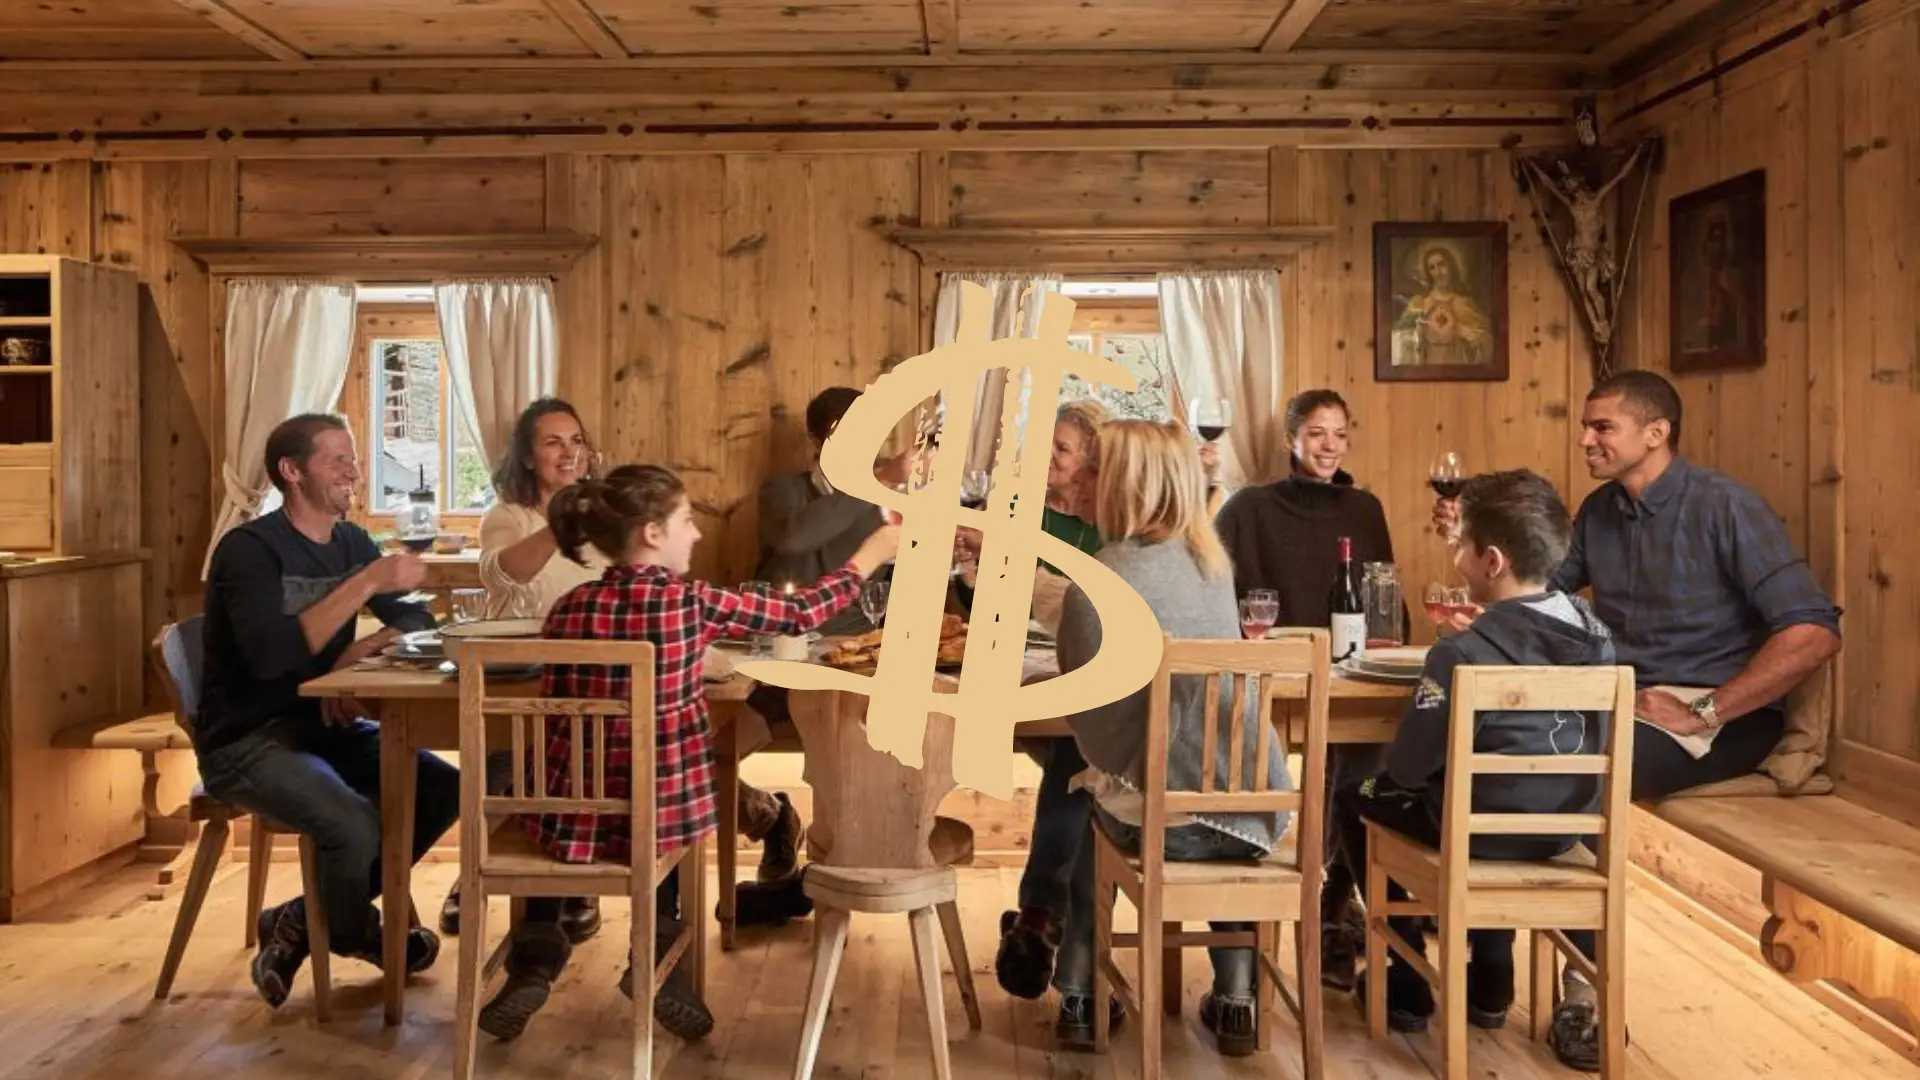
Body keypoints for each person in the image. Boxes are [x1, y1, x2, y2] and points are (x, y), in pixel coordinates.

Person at [1432, 370, 1842, 1070]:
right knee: (1494, 756)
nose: (1586, 438)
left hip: (1720, 718)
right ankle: (1494, 960)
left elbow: (1814, 632)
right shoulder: (1599, 512)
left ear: (1656, 434)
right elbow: (1539, 595)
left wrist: (1704, 708)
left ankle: (1583, 995)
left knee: (1566, 784)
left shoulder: (1727, 508)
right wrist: (1480, 578)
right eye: (1586, 425)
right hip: (1619, 699)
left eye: (1602, 427)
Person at [478, 464, 899, 1043]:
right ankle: (657, 960)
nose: (696, 534)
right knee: (660, 807)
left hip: (565, 817)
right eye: (685, 522)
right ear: (652, 533)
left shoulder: (568, 609)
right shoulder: (689, 603)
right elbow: (800, 614)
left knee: (581, 790)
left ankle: (534, 958)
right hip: (653, 821)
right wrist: (871, 551)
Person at [442, 397, 801, 937]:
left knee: (663, 756)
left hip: (614, 673)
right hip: (534, 675)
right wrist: (564, 518)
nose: (568, 452)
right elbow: (503, 577)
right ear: (527, 455)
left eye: (576, 440)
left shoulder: (609, 532)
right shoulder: (509, 517)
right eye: (552, 442)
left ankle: (581, 906)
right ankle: (523, 890)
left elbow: (637, 594)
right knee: (542, 766)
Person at [193, 413, 461, 1009]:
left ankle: (297, 918)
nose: (354, 471)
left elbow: (418, 619)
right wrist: (365, 585)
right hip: (248, 739)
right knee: (352, 825)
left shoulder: (350, 542)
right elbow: (270, 656)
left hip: (323, 726)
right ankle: (351, 930)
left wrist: (352, 652)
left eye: (354, 458)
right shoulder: (248, 551)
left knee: (444, 789)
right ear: (292, 472)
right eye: (337, 459)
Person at [1334, 469, 1615, 1034]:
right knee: (1491, 801)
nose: (1455, 556)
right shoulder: (1598, 634)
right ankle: (1490, 981)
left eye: (1460, 545)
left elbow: (1410, 770)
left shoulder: (1460, 653)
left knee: (1354, 797)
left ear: (1492, 560)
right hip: (1564, 828)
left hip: (1476, 832)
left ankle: (1407, 981)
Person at [1051, 419, 1292, 1055]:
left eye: (1094, 468)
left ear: (1124, 483)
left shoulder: (1097, 581)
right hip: (1253, 816)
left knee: (1090, 805)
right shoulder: (1214, 567)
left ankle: (1080, 994)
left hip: (1162, 825)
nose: (1081, 477)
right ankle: (1237, 996)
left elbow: (1094, 734)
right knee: (1208, 789)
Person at [1214, 388, 1403, 992]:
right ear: (1293, 438)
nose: (1330, 445)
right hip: (1270, 676)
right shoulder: (1250, 506)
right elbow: (1213, 580)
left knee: (1363, 771)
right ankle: (1250, 914)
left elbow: (1384, 599)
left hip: (1348, 675)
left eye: (1340, 434)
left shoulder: (1364, 509)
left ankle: (1334, 905)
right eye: (1318, 433)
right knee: (1245, 769)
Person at [979, 398, 1112, 1003]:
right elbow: (984, 600)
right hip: (1017, 674)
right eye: (1045, 447)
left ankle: (1038, 917)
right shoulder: (1012, 506)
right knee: (1078, 762)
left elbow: (1095, 609)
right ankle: (1070, 952)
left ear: (1091, 462)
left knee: (1075, 762)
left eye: (1060, 450)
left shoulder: (1112, 523)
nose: (1047, 461)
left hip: (1080, 684)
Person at [1394, 246, 1494, 368]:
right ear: (1428, 273)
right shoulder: (1419, 303)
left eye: (1442, 265)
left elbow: (1487, 342)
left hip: (1458, 374)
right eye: (1432, 268)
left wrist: (1464, 332)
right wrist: (1418, 324)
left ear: (1451, 267)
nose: (1438, 272)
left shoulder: (1464, 304)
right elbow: (1399, 338)